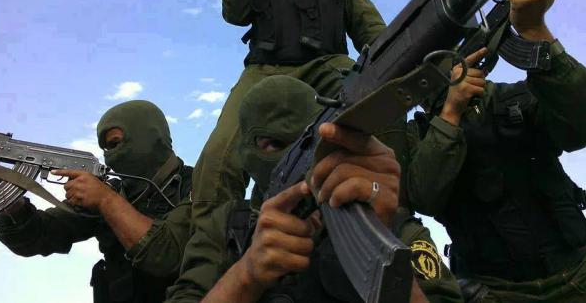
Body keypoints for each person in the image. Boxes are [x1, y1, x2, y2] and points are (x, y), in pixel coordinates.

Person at [191, 0, 387, 225]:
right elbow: (234, 12)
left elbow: (370, 30)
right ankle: (209, 250)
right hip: (264, 71)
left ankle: (390, 223)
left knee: (374, 118)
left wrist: (395, 60)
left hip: (327, 67)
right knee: (217, 160)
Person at [166, 76, 462, 303]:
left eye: (304, 143)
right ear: (245, 155)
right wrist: (246, 275)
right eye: (272, 144)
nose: (289, 156)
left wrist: (381, 247)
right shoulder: (223, 228)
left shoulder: (384, 220)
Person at [407, 0, 586, 302]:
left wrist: (535, 32)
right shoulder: (415, 136)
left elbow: (580, 126)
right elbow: (424, 197)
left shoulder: (516, 98)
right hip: (494, 293)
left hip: (577, 275)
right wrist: (451, 112)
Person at [0, 100, 193, 303]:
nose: (109, 155)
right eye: (105, 148)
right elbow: (36, 237)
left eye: (115, 144)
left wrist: (106, 200)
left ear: (148, 137)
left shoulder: (199, 186)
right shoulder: (112, 191)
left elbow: (170, 256)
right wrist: (1, 190)